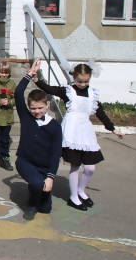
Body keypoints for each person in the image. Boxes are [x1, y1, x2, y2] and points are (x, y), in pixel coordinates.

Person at [33, 61, 124, 210]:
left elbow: (100, 112)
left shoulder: (93, 93)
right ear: (74, 78)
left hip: (85, 132)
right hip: (72, 132)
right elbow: (48, 88)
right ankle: (74, 196)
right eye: (79, 81)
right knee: (75, 167)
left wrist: (112, 129)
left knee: (90, 168)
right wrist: (36, 78)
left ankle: (81, 191)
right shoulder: (68, 91)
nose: (82, 84)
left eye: (86, 81)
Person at [14, 61, 63, 220]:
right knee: (36, 184)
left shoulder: (54, 126)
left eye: (40, 108)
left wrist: (50, 177)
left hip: (44, 166)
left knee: (46, 208)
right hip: (25, 161)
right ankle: (32, 204)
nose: (36, 111)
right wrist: (29, 74)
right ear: (29, 107)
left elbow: (55, 153)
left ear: (47, 105)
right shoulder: (26, 117)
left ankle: (38, 191)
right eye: (33, 108)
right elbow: (18, 93)